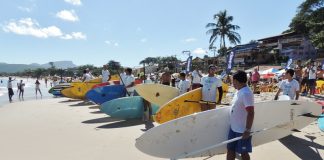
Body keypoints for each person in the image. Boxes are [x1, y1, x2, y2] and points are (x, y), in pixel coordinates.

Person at [227, 70, 254, 160]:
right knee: (230, 149)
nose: (232, 83)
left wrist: (247, 130)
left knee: (243, 153)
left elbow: (251, 112)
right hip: (233, 128)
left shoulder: (246, 93)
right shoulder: (239, 91)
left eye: (233, 81)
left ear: (237, 81)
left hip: (242, 130)